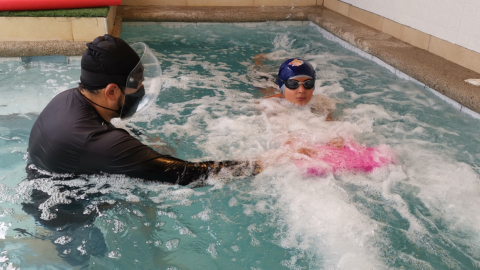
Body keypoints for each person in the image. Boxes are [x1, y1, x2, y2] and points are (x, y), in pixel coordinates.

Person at [28, 35, 259, 185]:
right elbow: (188, 175)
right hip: (69, 217)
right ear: (111, 92)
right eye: (135, 85)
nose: (141, 90)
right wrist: (257, 165)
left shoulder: (67, 98)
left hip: (48, 178)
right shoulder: (100, 143)